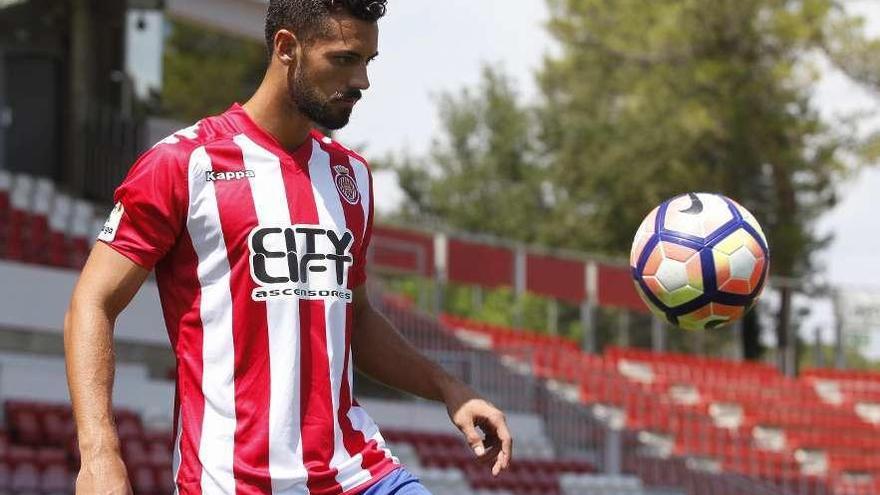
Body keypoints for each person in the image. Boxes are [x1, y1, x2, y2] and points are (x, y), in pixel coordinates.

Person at [63, 1, 513, 494]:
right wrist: (99, 454)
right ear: (286, 48)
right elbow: (93, 303)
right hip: (235, 482)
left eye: (368, 61)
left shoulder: (351, 176)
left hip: (361, 474)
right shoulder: (182, 163)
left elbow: (356, 319)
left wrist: (449, 388)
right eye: (344, 59)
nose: (362, 80)